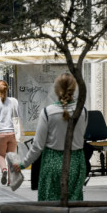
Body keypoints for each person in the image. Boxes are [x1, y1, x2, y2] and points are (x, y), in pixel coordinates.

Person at [12, 73, 88, 201]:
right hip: (77, 162)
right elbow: (81, 136)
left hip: (53, 162)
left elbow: (37, 146)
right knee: (74, 204)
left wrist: (23, 164)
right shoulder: (83, 111)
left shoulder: (48, 112)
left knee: (50, 205)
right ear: (74, 89)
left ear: (57, 90)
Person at [0, 80, 21, 186]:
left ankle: (4, 169)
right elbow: (19, 117)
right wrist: (19, 132)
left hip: (0, 133)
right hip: (12, 133)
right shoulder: (14, 101)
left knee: (0, 155)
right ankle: (11, 181)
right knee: (11, 156)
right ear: (7, 89)